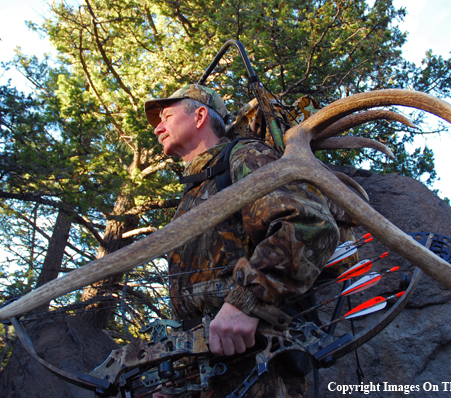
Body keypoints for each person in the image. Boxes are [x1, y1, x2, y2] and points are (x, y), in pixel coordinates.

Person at [144, 84, 339, 397]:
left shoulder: (244, 155)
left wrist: (247, 301)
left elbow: (308, 224)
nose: (157, 127)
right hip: (207, 376)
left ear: (200, 116)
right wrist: (179, 379)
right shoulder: (193, 193)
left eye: (166, 116)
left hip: (260, 372)